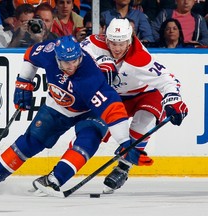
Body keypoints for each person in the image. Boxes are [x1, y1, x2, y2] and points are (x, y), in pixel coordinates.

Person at [0, 35, 150, 195]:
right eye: (66, 63)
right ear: (57, 58)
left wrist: (125, 144)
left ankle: (54, 180)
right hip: (58, 106)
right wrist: (23, 82)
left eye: (75, 60)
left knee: (88, 141)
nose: (72, 66)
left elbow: (113, 110)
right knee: (31, 141)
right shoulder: (48, 53)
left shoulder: (89, 78)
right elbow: (30, 55)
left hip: (90, 111)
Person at [76, 18, 187, 193]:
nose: (117, 48)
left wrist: (173, 99)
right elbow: (74, 55)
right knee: (92, 130)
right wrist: (99, 62)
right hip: (115, 96)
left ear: (130, 39)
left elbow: (167, 79)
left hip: (145, 94)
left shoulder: (140, 57)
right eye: (113, 43)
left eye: (122, 43)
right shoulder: (92, 43)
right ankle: (64, 169)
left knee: (144, 121)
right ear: (106, 38)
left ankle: (124, 167)